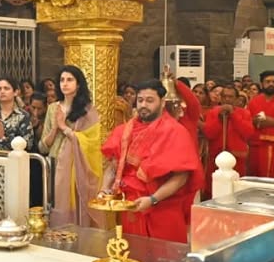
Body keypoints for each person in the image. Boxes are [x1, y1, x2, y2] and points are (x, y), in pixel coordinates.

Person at [100, 79, 201, 243]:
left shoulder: (175, 132)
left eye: (149, 100)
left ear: (162, 102)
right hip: (130, 206)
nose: (143, 105)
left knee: (165, 256)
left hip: (162, 208)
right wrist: (104, 190)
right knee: (130, 252)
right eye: (140, 100)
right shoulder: (124, 131)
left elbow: (181, 177)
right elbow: (113, 167)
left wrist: (153, 199)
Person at [40, 65, 102, 227]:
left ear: (78, 84)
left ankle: (80, 239)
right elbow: (43, 147)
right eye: (62, 80)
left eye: (69, 80)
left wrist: (64, 127)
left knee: (76, 206)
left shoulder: (88, 111)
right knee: (57, 207)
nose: (65, 83)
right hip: (54, 165)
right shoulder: (53, 108)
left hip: (77, 168)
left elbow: (92, 143)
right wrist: (55, 128)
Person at [203, 83, 254, 195]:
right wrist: (219, 119)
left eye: (230, 97)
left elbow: (248, 133)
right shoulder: (213, 112)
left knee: (236, 190)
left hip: (237, 158)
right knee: (214, 190)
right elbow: (209, 134)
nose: (227, 99)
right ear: (220, 98)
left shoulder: (244, 113)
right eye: (224, 96)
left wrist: (233, 115)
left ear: (236, 99)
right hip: (216, 159)